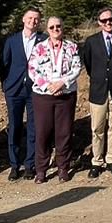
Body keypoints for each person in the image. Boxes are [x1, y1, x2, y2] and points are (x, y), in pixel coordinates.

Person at [79, 8, 112, 177]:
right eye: (104, 20)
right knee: (97, 127)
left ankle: (111, 159)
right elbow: (88, 65)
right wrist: (100, 77)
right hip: (98, 90)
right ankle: (96, 161)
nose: (108, 23)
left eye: (111, 19)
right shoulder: (91, 41)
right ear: (99, 23)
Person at [28, 17, 81, 182]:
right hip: (43, 96)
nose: (55, 29)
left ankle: (63, 168)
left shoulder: (72, 46)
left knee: (64, 133)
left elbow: (76, 67)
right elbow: (32, 69)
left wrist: (62, 84)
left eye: (58, 26)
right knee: (43, 133)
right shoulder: (39, 48)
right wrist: (48, 86)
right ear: (47, 29)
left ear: (62, 27)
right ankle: (41, 170)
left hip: (66, 95)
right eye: (52, 27)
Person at [0, 8, 45, 181]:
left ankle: (30, 164)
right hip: (14, 90)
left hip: (35, 90)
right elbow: (4, 64)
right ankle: (14, 165)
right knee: (15, 127)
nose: (33, 21)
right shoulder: (12, 41)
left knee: (33, 127)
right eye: (30, 18)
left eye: (36, 19)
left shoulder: (43, 40)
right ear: (23, 19)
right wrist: (6, 85)